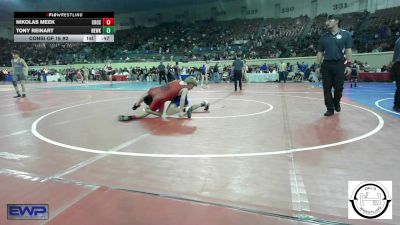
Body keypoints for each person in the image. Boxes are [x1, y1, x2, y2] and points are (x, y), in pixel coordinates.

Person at [118, 77, 209, 121]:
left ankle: (195, 106)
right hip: (176, 96)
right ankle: (202, 103)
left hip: (178, 97)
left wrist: (181, 111)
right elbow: (144, 94)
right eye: (192, 86)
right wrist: (137, 103)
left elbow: (152, 114)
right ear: (188, 83)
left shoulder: (184, 89)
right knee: (171, 111)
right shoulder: (176, 81)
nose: (192, 88)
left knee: (170, 112)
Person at [315, 15, 353, 116]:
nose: (327, 22)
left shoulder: (346, 34)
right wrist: (317, 66)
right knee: (326, 88)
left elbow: (348, 50)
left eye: (329, 20)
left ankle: (336, 102)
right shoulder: (324, 37)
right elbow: (320, 53)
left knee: (339, 87)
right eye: (326, 20)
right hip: (326, 64)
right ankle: (330, 108)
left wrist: (349, 65)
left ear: (336, 21)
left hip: (339, 64)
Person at [391, 37, 400, 112]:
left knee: (399, 86)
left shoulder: (397, 40)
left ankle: (396, 104)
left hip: (396, 64)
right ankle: (397, 104)